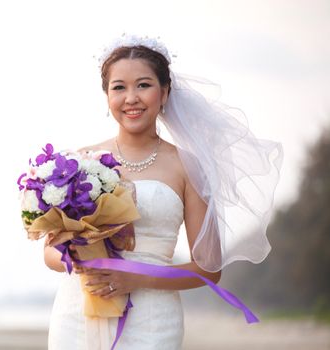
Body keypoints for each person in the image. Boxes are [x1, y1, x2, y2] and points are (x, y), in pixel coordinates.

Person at [43, 35, 283, 350]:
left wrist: (134, 278)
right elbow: (49, 253)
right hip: (79, 311)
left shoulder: (188, 167)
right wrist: (88, 261)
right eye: (119, 87)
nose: (131, 98)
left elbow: (207, 269)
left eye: (143, 85)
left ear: (165, 92)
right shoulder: (80, 162)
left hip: (152, 318)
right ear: (106, 96)